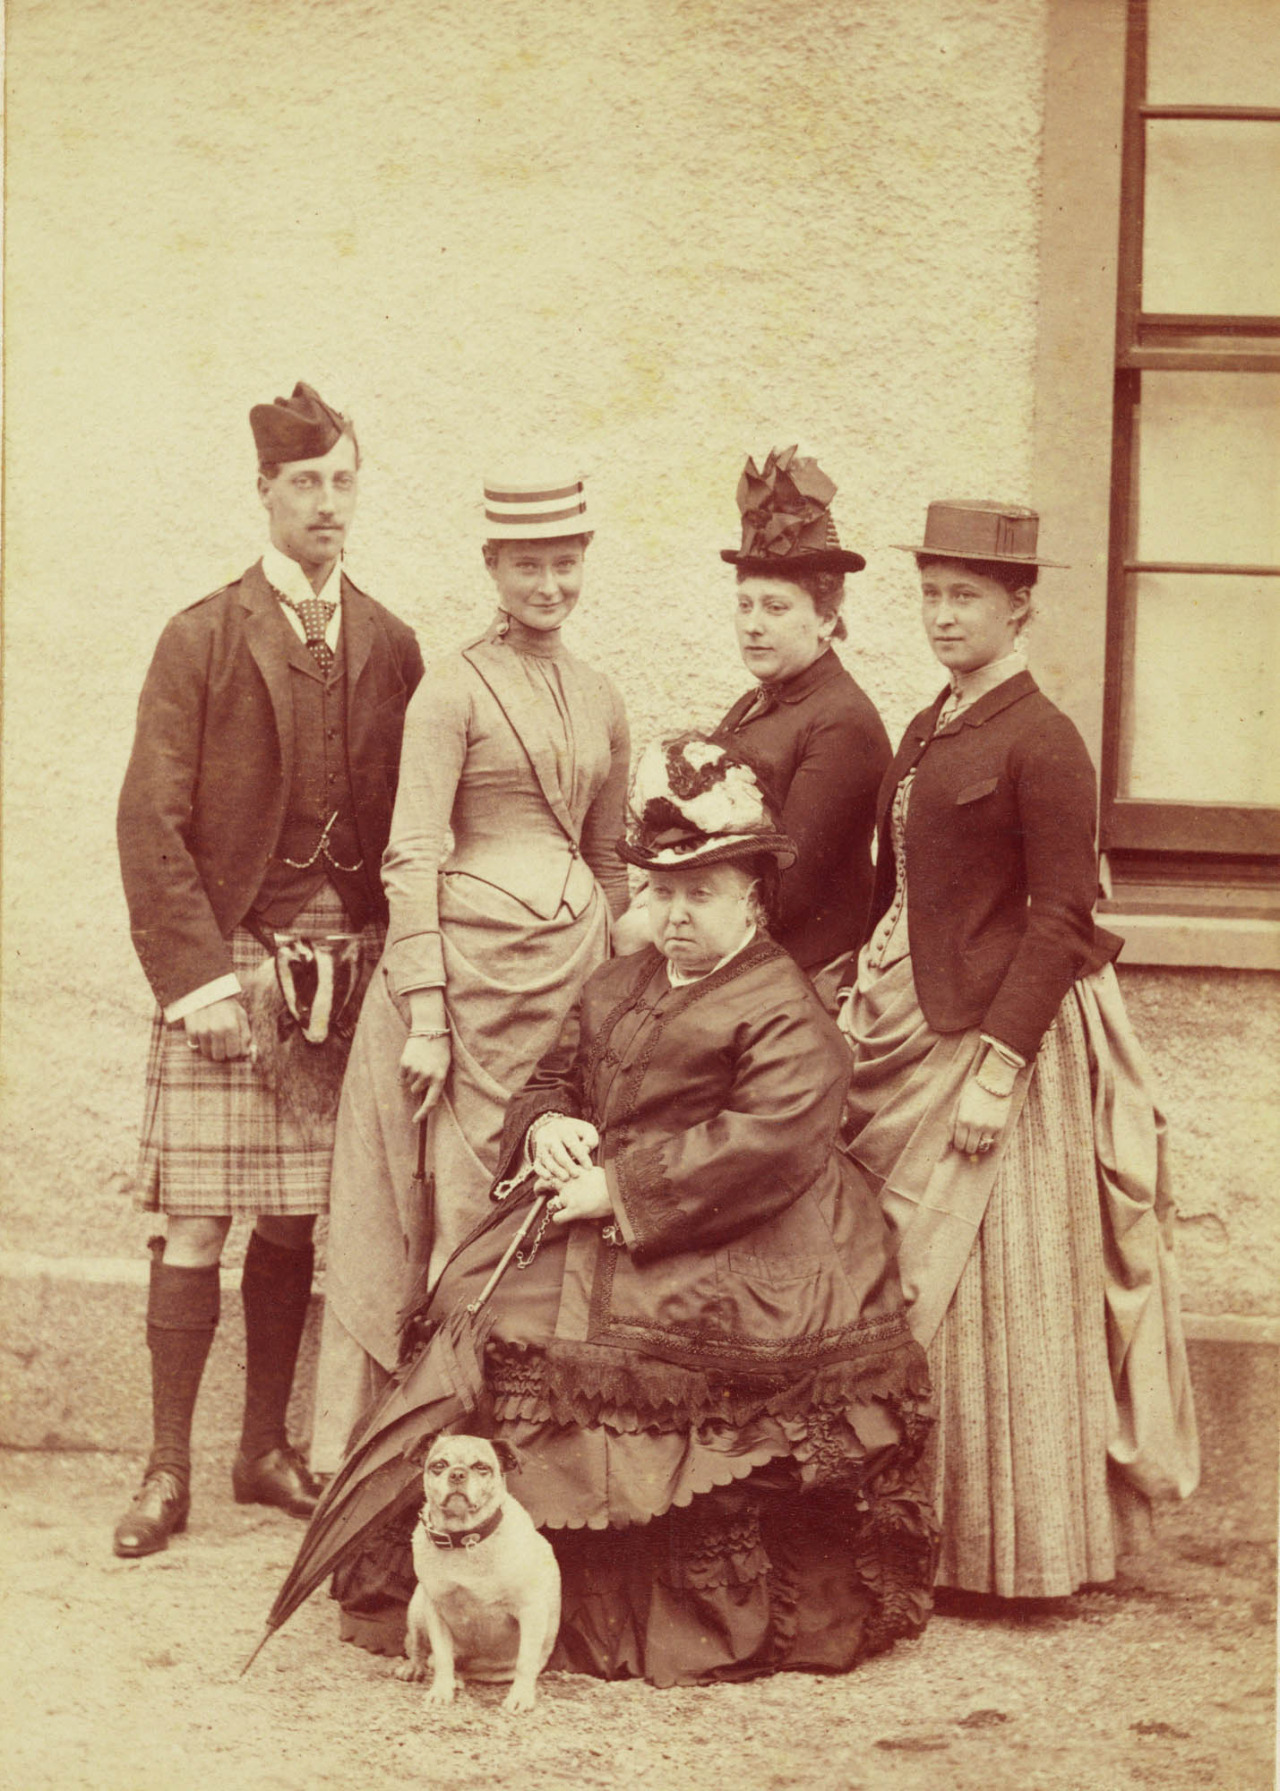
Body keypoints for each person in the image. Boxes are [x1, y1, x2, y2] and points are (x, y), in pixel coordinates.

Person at [334, 736, 937, 1684]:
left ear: (752, 898)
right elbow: (552, 1074)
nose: (676, 914)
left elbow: (767, 1142)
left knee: (598, 1351)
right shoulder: (622, 979)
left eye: (702, 893)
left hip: (742, 1233)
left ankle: (614, 1606)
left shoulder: (785, 1007)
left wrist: (617, 1188)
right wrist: (547, 1128)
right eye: (663, 892)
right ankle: (492, 1583)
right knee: (481, 1310)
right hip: (605, 1212)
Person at [840, 499, 1199, 1600]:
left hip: (999, 1041)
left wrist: (999, 1068)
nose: (943, 616)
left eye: (966, 597)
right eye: (930, 595)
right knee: (910, 1287)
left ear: (1019, 607)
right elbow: (896, 887)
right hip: (906, 1021)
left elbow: (1060, 919)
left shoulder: (1045, 739)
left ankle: (1009, 1551)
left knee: (991, 1295)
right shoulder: (927, 725)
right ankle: (918, 1539)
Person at [114, 382, 424, 1558]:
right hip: (231, 962)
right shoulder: (201, 636)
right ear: (264, 492)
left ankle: (264, 1450)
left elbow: (410, 823)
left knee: (296, 1221)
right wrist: (197, 983)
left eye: (342, 481)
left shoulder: (389, 642)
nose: (327, 503)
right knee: (197, 1220)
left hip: (347, 965)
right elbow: (150, 821)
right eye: (305, 483)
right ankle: (165, 1469)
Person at [312, 468, 631, 1474]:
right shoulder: (450, 689)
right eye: (527, 564)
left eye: (565, 563)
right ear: (493, 566)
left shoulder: (602, 694)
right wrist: (425, 1015)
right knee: (458, 1211)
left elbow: (610, 859)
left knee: (550, 1203)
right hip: (467, 990)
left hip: (568, 979)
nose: (549, 584)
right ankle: (434, 1444)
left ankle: (529, 1451)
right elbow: (410, 854)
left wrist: (621, 995)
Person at [713, 447, 890, 1000]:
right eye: (744, 605)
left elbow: (786, 891)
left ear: (827, 619)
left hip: (802, 979)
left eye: (776, 608)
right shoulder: (755, 701)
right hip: (743, 957)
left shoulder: (841, 720)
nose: (753, 625)